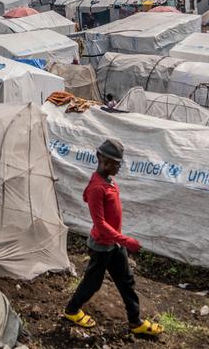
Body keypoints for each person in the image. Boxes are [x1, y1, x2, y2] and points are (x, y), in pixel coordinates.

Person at [63, 139, 164, 337]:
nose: (120, 167)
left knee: (126, 281)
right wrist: (127, 241)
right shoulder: (96, 188)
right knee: (92, 283)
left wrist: (120, 241)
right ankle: (71, 311)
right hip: (102, 246)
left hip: (115, 244)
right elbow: (100, 224)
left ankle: (135, 321)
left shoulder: (110, 181)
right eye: (117, 163)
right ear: (105, 161)